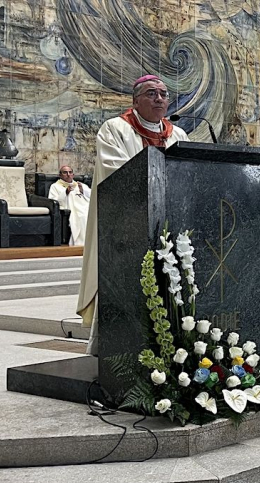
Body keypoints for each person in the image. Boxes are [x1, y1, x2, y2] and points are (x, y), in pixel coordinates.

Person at [78, 75, 189, 355]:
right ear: (135, 100)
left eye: (163, 93)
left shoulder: (177, 135)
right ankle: (117, 347)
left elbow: (188, 173)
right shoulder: (115, 129)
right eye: (151, 93)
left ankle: (170, 346)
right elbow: (114, 171)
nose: (160, 99)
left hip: (168, 224)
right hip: (126, 226)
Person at [48, 165, 91, 246]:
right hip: (71, 209)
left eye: (70, 172)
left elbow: (92, 195)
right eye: (65, 172)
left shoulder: (80, 185)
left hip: (86, 207)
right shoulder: (55, 186)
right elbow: (52, 201)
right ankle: (83, 243)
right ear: (60, 175)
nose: (68, 174)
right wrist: (65, 192)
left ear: (73, 175)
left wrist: (83, 191)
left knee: (93, 215)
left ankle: (93, 243)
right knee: (83, 217)